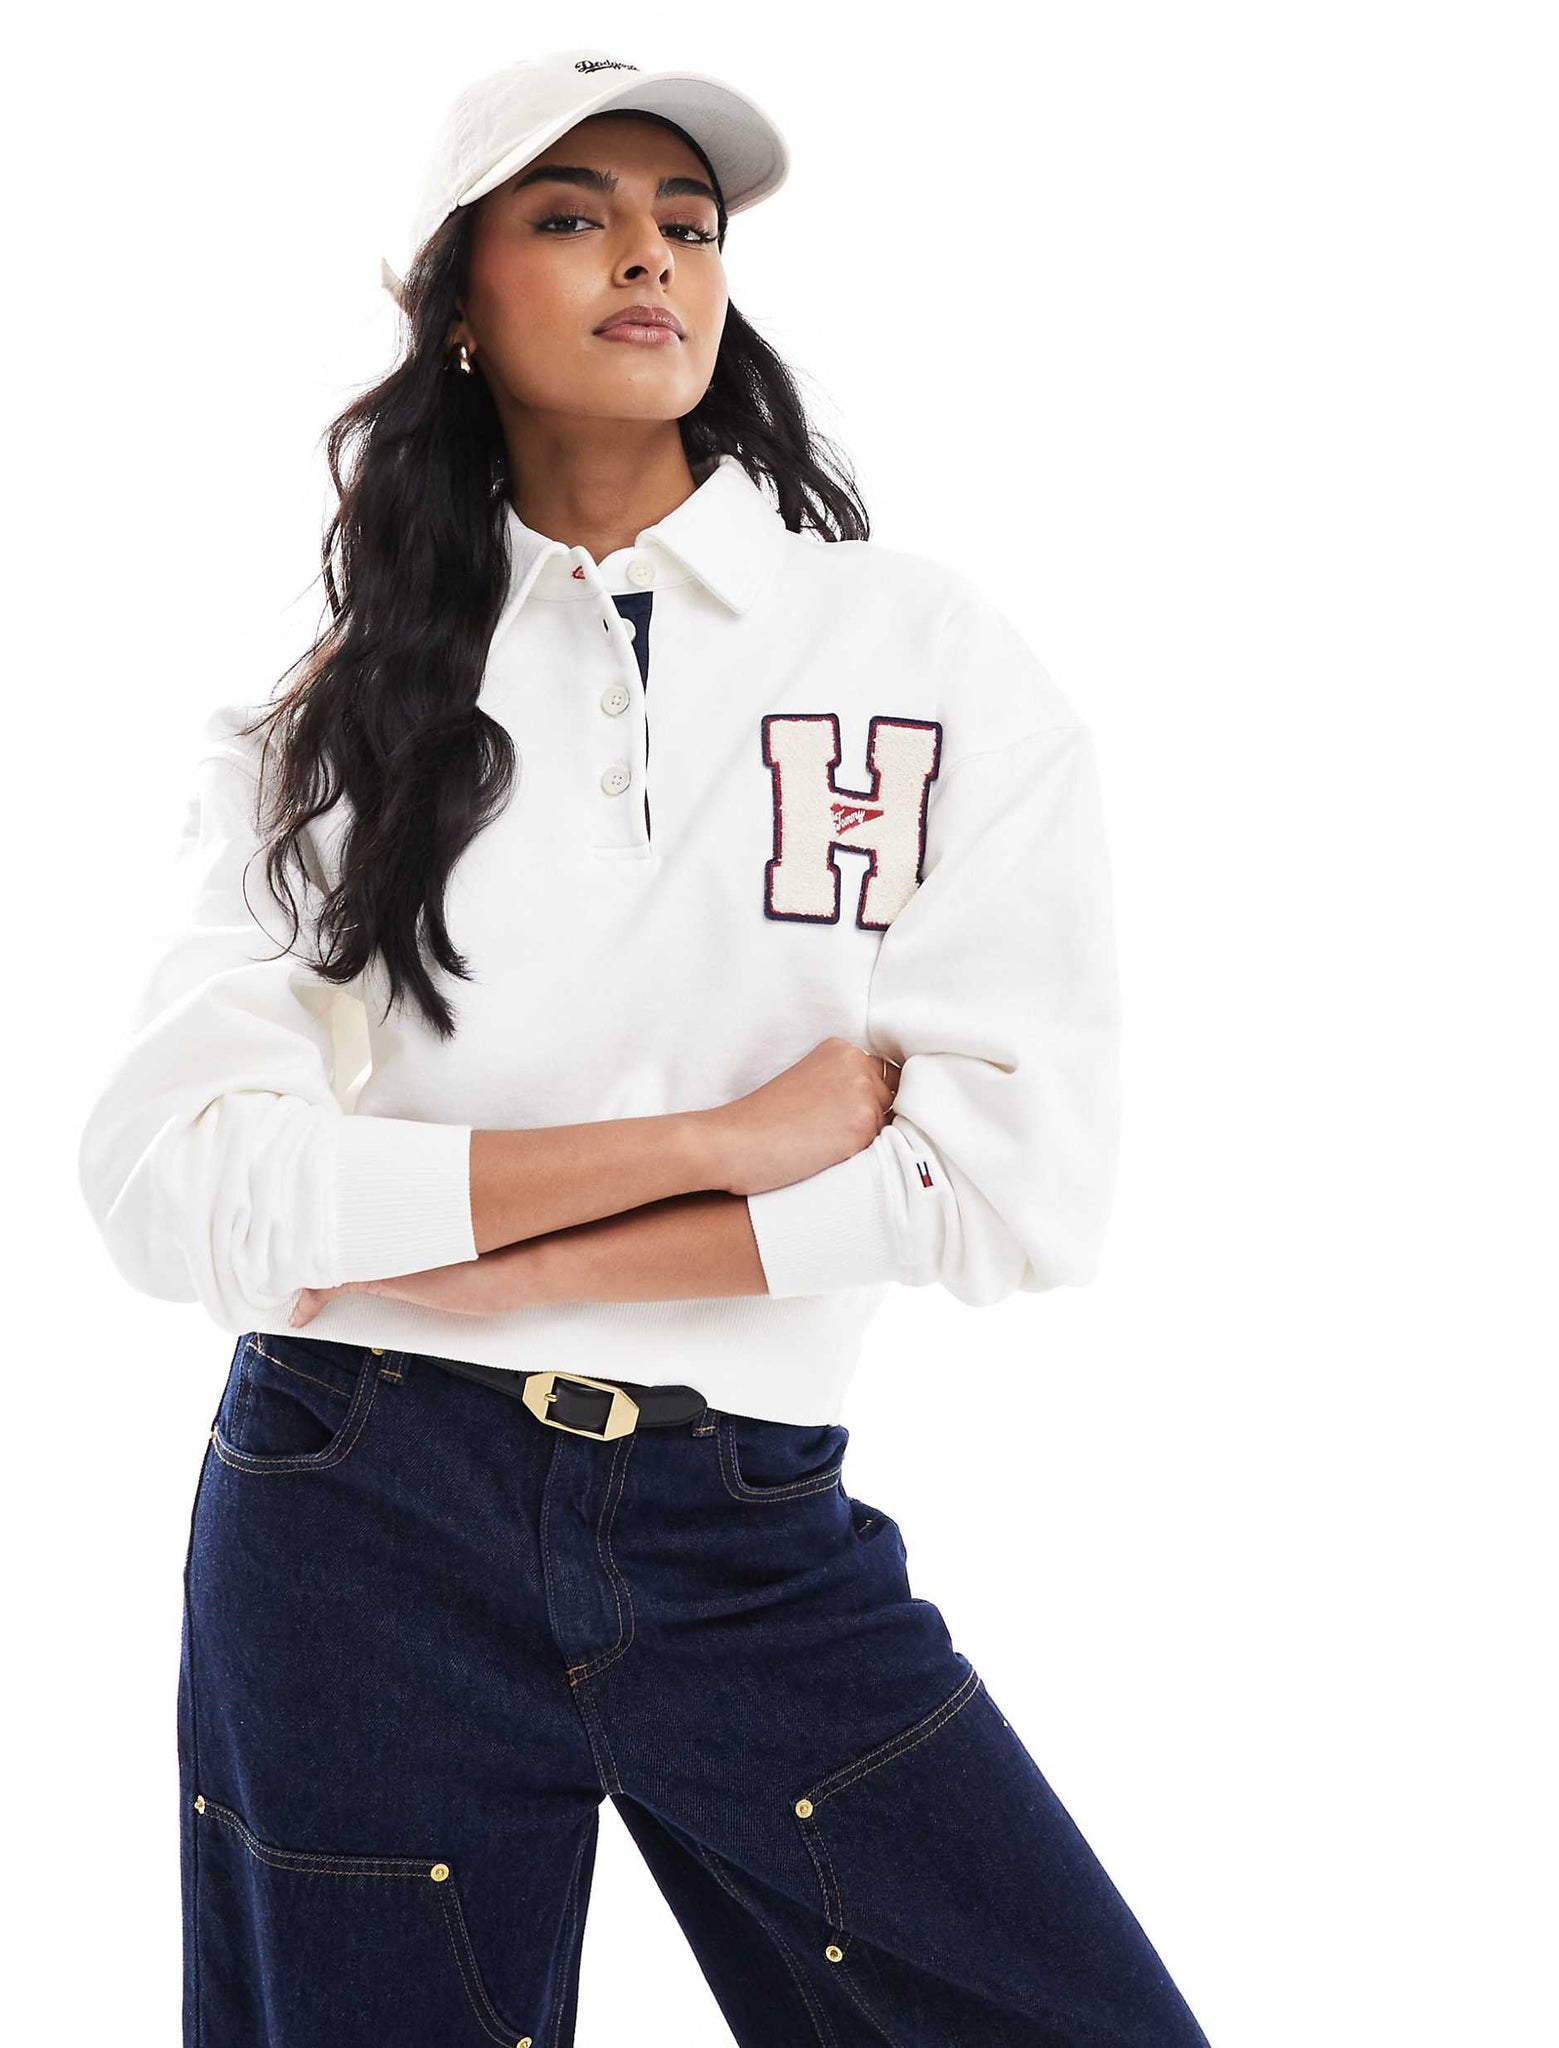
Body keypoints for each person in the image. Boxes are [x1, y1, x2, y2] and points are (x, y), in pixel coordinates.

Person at [77, 47, 1212, 2048]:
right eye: (571, 215)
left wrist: (470, 1268)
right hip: (356, 1522)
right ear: (455, 297)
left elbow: (1010, 1190)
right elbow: (175, 1191)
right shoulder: (334, 714)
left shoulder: (915, 654)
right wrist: (721, 1141)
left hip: (738, 1524)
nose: (648, 258)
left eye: (684, 223)